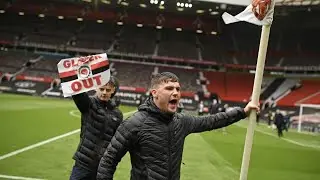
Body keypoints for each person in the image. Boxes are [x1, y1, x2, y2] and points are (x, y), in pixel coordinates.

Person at [97, 72, 259, 180]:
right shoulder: (135, 123)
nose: (176, 92)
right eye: (169, 88)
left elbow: (212, 121)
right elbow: (109, 160)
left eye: (178, 89)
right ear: (154, 93)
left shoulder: (181, 122)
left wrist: (242, 112)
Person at [69, 76, 123, 180]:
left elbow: (117, 141)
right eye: (101, 89)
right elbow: (77, 92)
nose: (104, 92)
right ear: (96, 88)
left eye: (108, 90)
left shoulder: (117, 114)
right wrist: (76, 74)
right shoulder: (88, 104)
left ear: (113, 90)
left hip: (103, 167)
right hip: (83, 165)